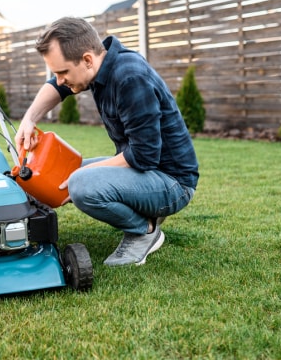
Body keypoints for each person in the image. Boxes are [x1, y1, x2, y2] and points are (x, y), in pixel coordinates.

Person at [15, 17, 199, 267]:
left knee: (80, 183)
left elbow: (144, 156)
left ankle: (143, 230)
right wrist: (28, 120)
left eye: (62, 72)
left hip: (172, 183)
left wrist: (82, 174)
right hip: (145, 170)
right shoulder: (99, 66)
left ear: (87, 59)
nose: (59, 80)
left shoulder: (129, 78)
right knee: (65, 174)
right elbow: (56, 88)